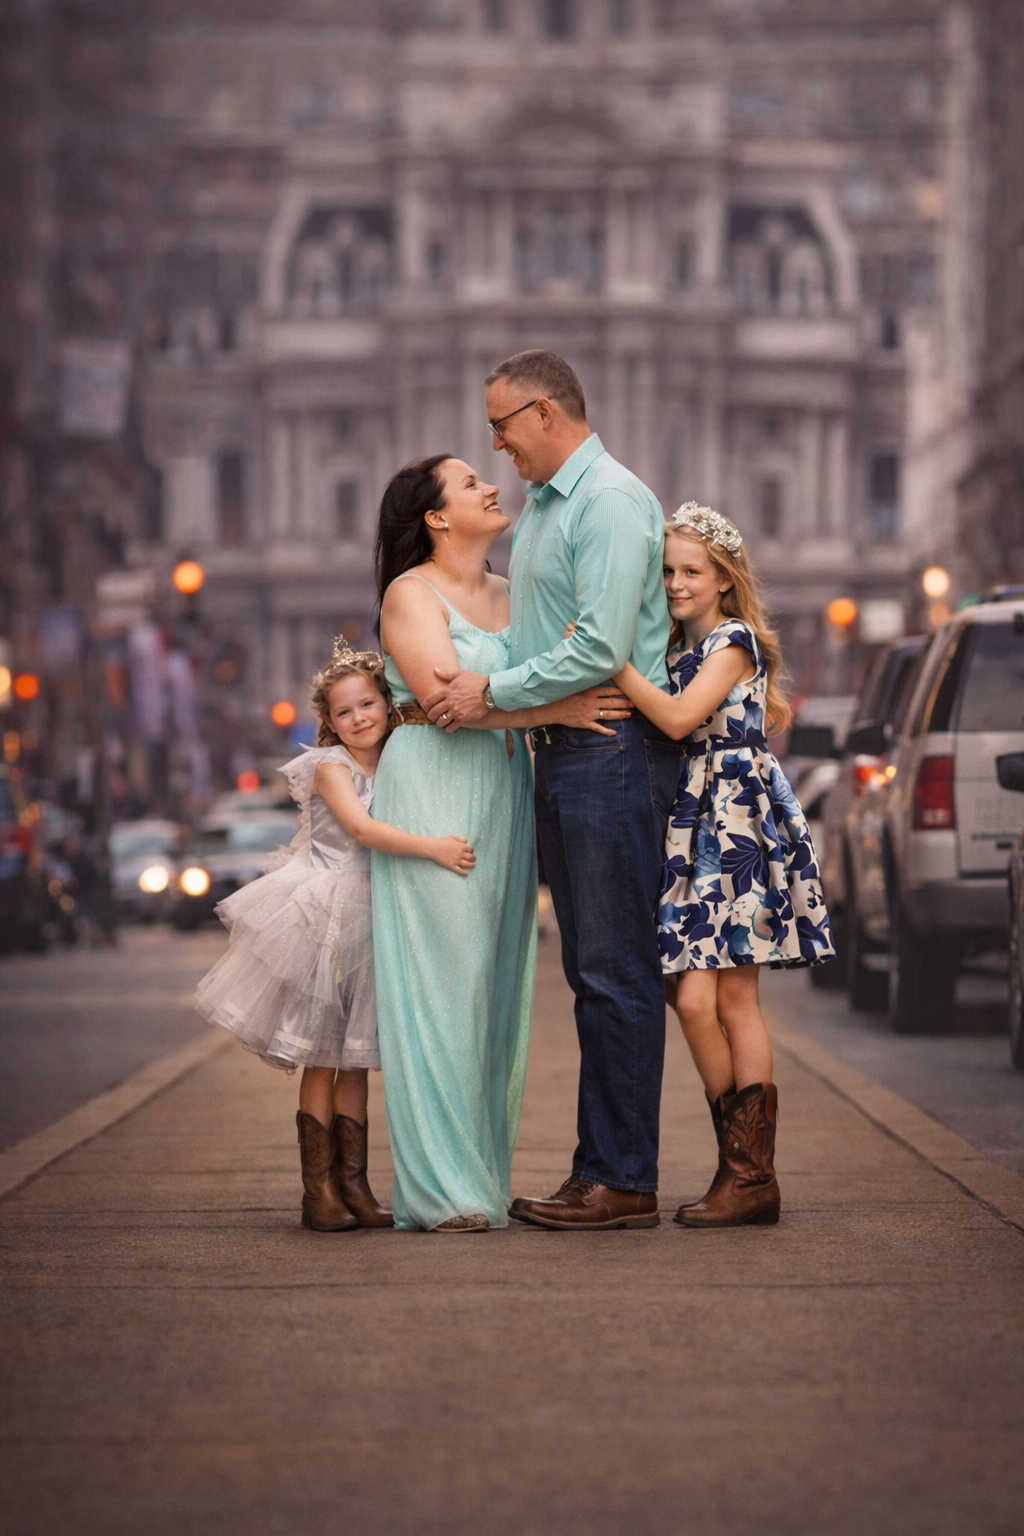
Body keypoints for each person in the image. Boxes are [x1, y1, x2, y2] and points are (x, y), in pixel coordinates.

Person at [424, 351, 682, 1231]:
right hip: (568, 751)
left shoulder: (606, 501)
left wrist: (489, 693)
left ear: (543, 412)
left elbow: (600, 646)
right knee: (589, 971)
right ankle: (597, 1167)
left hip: (612, 750)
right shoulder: (546, 508)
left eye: (501, 424)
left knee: (616, 971)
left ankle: (624, 1178)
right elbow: (551, 636)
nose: (495, 445)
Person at [372, 454, 633, 1233]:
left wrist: (558, 699)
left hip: (504, 791)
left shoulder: (513, 594)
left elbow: (545, 672)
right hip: (431, 789)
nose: (493, 487)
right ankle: (436, 1192)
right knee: (439, 989)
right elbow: (445, 704)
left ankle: (479, 1179)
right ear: (437, 518)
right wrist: (561, 709)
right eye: (470, 484)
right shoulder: (409, 594)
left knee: (492, 990)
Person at [195, 640, 476, 1233]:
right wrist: (435, 849)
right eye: (344, 713)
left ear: (387, 704)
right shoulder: (330, 767)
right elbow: (361, 828)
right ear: (328, 722)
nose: (359, 719)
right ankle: (318, 1191)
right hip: (325, 915)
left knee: (357, 1060)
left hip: (378, 914)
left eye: (368, 704)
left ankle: (356, 1185)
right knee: (322, 1056)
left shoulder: (400, 757)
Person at [611, 503, 835, 1227]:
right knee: (691, 998)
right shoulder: (678, 649)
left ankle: (747, 1178)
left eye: (690, 572)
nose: (676, 583)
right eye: (668, 571)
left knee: (730, 1000)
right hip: (693, 822)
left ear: (724, 581)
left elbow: (678, 720)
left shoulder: (733, 642)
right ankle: (743, 1172)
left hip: (737, 821)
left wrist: (607, 657)